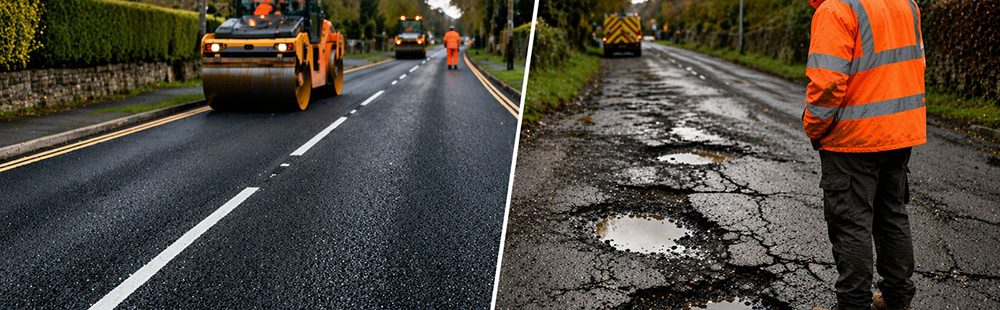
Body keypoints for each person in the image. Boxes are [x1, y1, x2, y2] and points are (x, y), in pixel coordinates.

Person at [803, 0, 926, 309]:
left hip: (853, 137)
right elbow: (918, 64)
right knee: (892, 215)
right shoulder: (906, 4)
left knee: (851, 223)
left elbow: (828, 83)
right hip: (900, 131)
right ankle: (897, 300)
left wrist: (814, 127)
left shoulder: (835, 9)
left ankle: (853, 305)